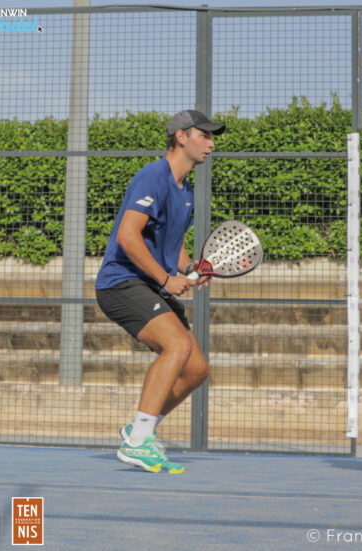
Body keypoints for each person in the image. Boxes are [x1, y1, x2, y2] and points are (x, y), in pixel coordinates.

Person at [95, 109, 225, 473]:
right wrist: (167, 281)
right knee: (178, 346)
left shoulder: (186, 192)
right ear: (181, 137)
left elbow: (173, 246)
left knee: (197, 368)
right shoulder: (153, 176)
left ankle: (138, 429)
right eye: (205, 135)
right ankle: (138, 441)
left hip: (149, 284)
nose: (212, 144)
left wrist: (188, 269)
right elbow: (127, 235)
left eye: (213, 138)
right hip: (121, 282)